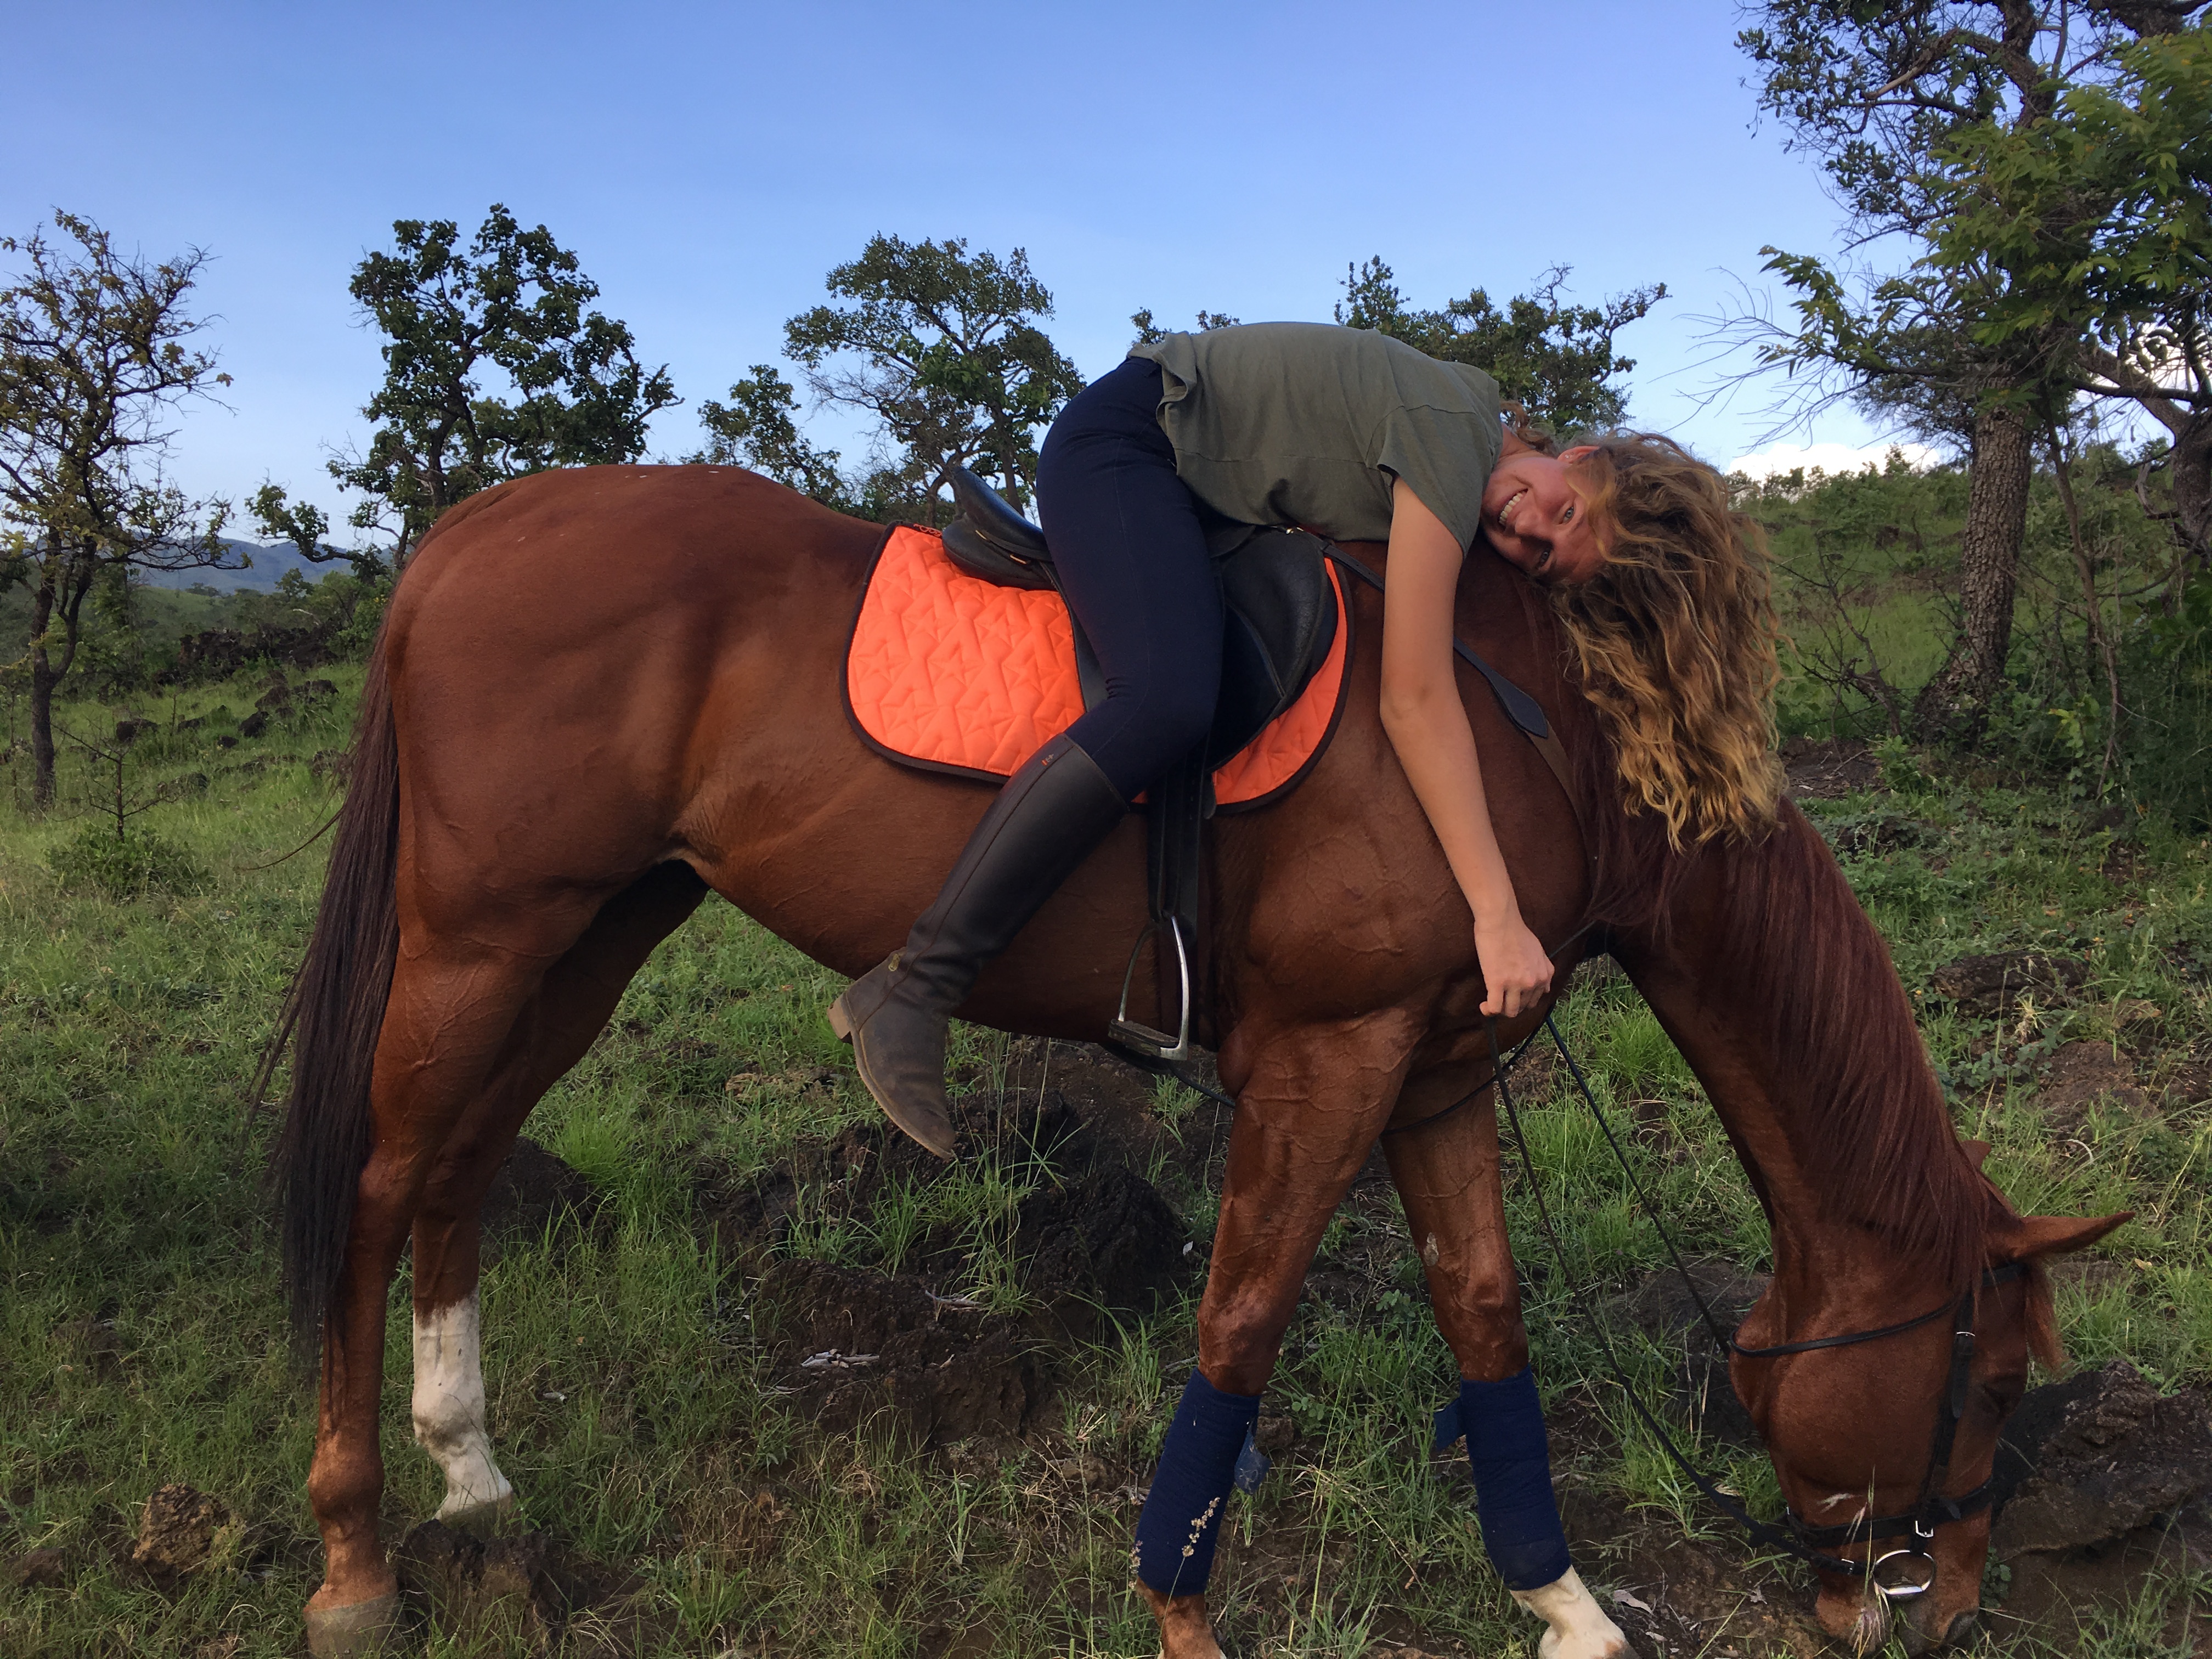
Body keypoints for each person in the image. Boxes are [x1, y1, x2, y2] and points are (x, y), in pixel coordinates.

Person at [828, 320, 1780, 1160]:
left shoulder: (1454, 438)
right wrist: (1496, 916)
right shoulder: (1454, 439)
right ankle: (917, 985)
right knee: (1164, 697)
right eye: (1560, 510)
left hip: (1194, 488)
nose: (1526, 529)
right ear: (1574, 455)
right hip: (1127, 445)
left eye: (1544, 556)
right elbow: (1413, 698)